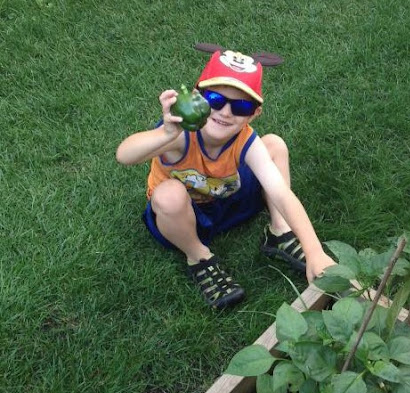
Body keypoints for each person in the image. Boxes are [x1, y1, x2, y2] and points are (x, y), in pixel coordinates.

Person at [116, 49, 334, 309]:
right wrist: (165, 133)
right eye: (216, 99)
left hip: (228, 198)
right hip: (185, 216)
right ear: (197, 97)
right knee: (168, 195)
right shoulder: (179, 136)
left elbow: (281, 193)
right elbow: (124, 155)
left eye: (241, 106)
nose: (226, 112)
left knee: (274, 145)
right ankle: (199, 257)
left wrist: (314, 250)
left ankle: (280, 232)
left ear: (254, 114)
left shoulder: (246, 140)